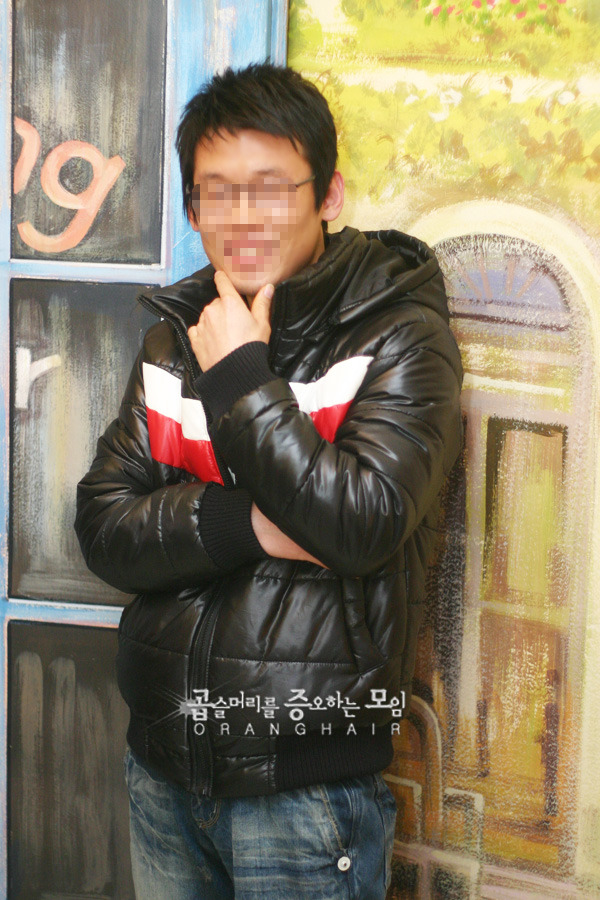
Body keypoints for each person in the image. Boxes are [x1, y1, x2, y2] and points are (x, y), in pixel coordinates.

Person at [75, 63, 462, 900]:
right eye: (217, 192)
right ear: (192, 209)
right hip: (162, 767)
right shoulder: (175, 336)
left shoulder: (398, 335)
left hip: (307, 791)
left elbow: (360, 525)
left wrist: (243, 375)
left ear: (328, 195)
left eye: (272, 189)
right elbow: (104, 528)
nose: (243, 217)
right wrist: (249, 524)